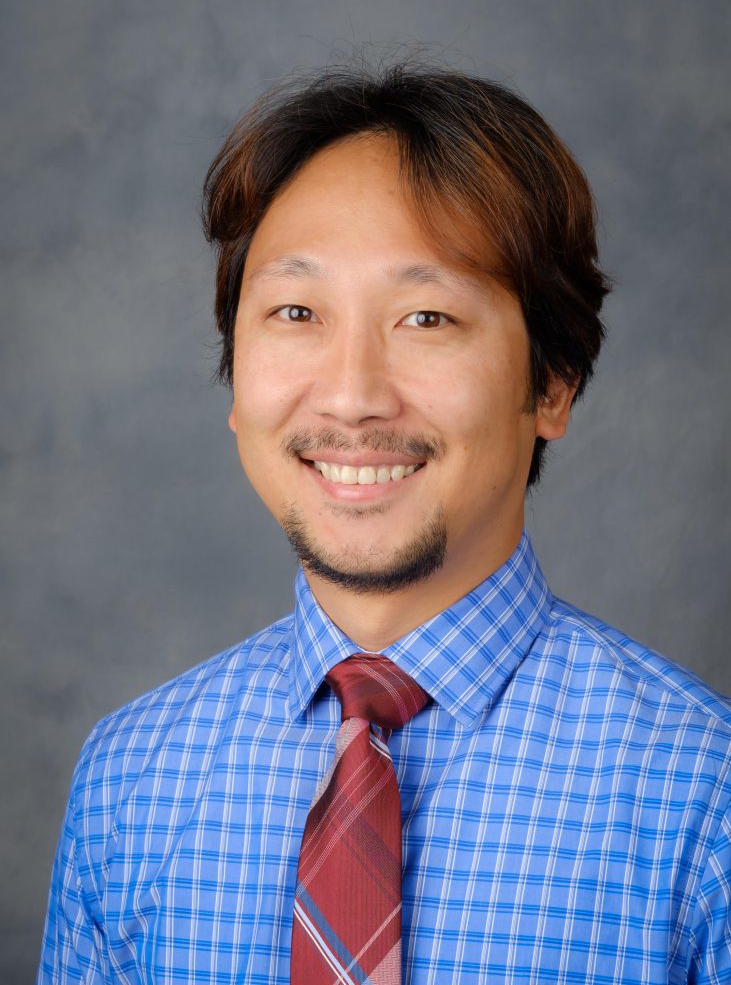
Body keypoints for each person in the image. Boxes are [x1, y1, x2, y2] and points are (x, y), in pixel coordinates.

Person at [38, 63, 731, 984]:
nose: (353, 395)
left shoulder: (701, 795)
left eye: (426, 316)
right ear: (235, 381)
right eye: (295, 312)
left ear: (552, 384)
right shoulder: (132, 778)